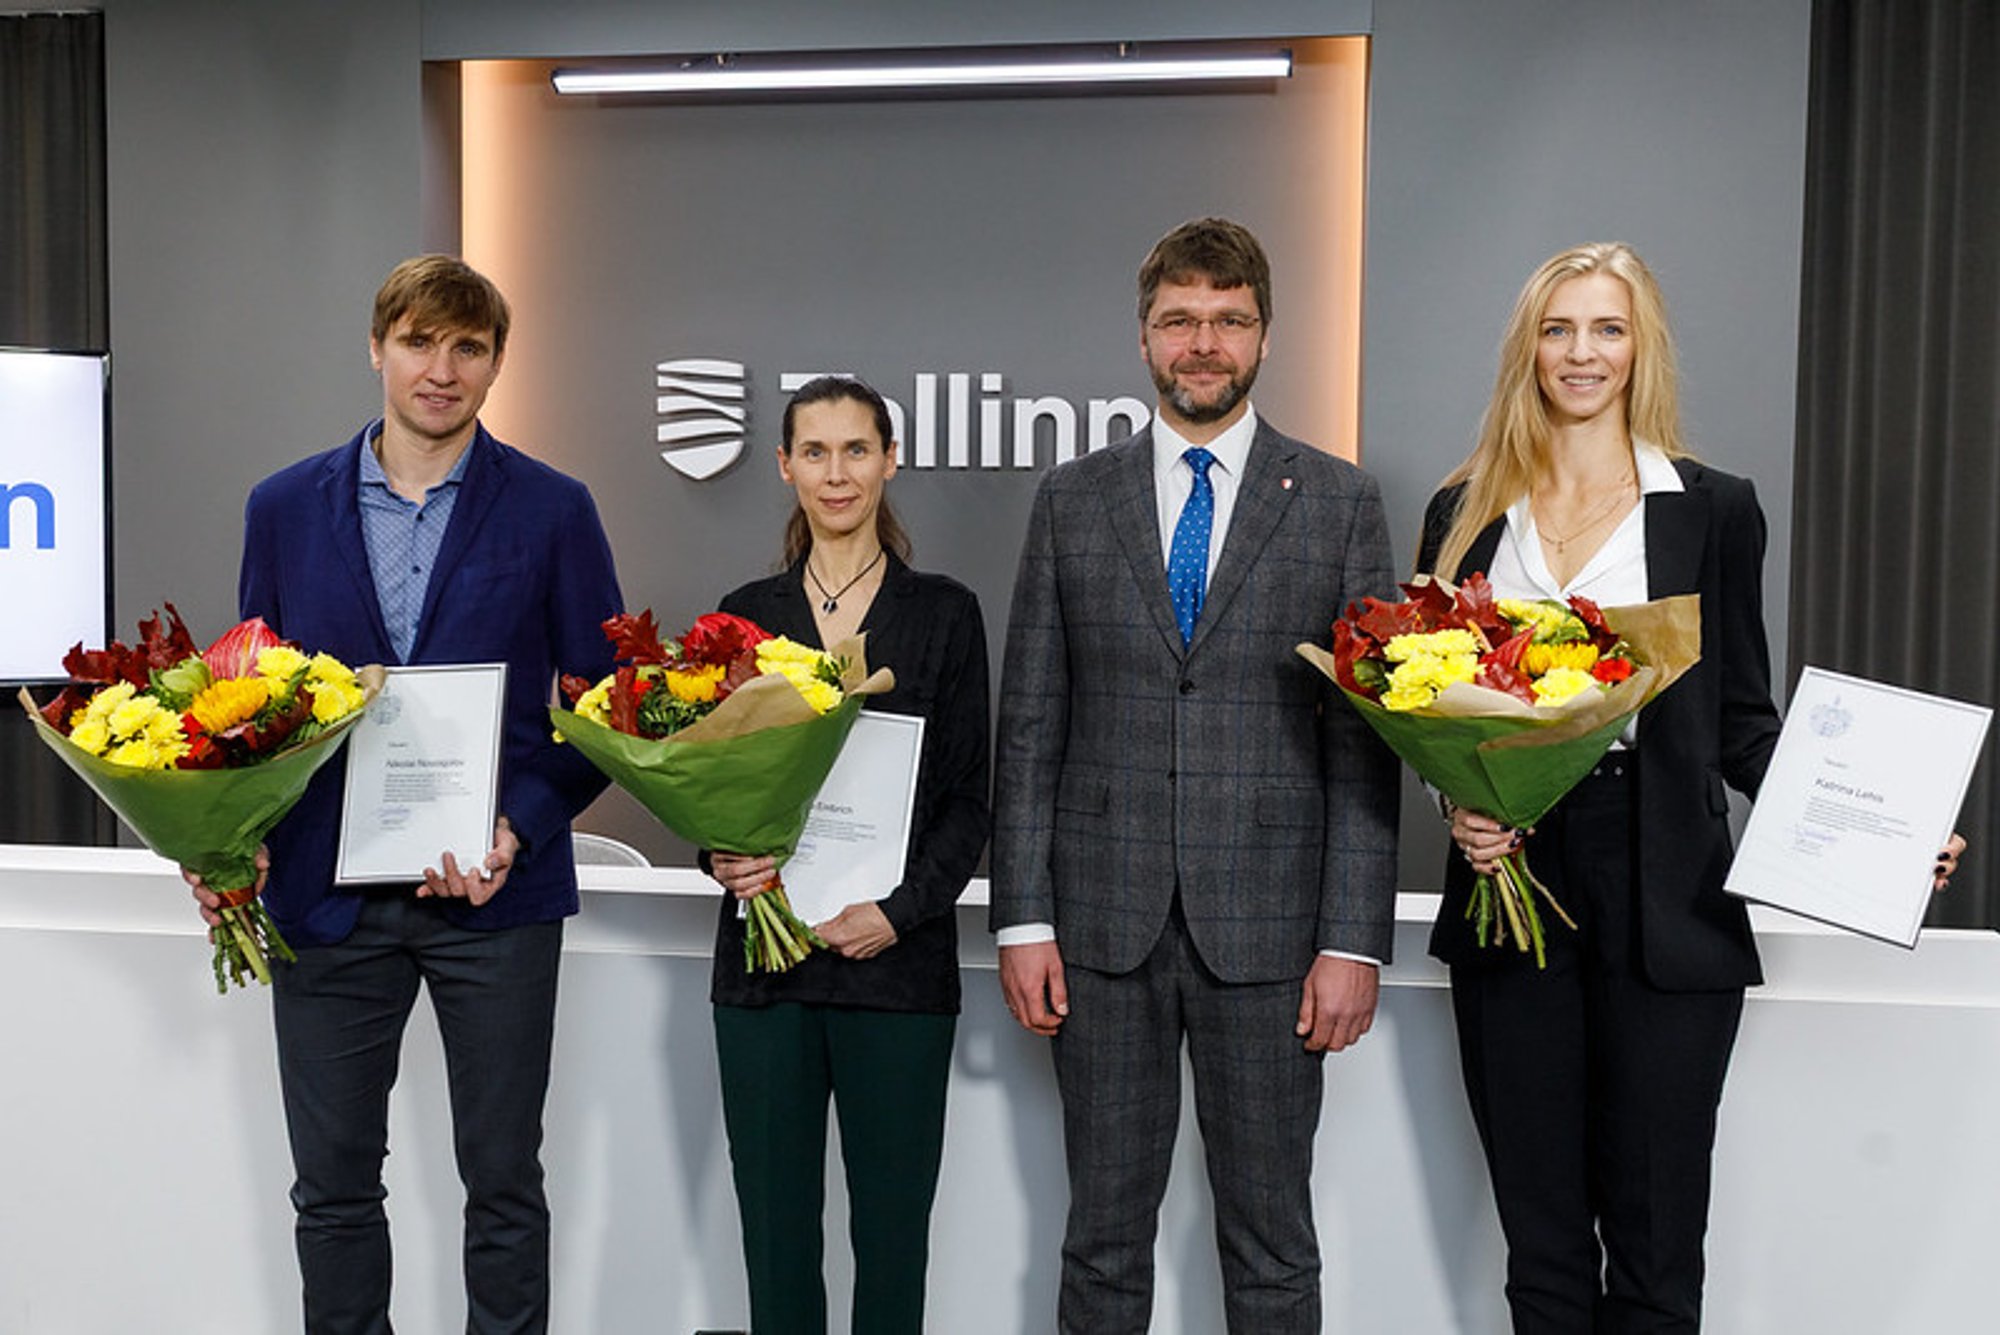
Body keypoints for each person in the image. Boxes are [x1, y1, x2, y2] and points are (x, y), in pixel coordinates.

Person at [1418, 240, 1964, 1333]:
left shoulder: (1710, 509)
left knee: (1658, 1245)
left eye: (1606, 329)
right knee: (1540, 1246)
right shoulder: (1464, 509)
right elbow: (1433, 703)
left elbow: (1740, 723)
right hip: (1509, 884)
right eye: (1558, 328)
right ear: (1527, 348)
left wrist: (1887, 837)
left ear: (1640, 347)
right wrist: (1458, 806)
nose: (1581, 353)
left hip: (1662, 888)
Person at [186, 254, 623, 1334]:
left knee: (504, 1188)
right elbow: (258, 706)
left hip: (494, 899)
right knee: (333, 1192)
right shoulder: (283, 508)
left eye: (467, 347)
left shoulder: (554, 510)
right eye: (419, 341)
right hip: (327, 904)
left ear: (494, 365)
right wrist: (229, 844)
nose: (441, 368)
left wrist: (518, 825)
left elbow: (602, 709)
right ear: (376, 349)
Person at [990, 217, 1401, 1334]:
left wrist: (1351, 938)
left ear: (1264, 335)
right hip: (1098, 930)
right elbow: (1028, 722)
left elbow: (1362, 738)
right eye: (1180, 320)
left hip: (1270, 938)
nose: (1202, 343)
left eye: (1227, 320)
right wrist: (1021, 918)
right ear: (1142, 338)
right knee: (1101, 1240)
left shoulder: (1338, 501)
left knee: (1271, 1245)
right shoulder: (1072, 501)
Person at [702, 375, 990, 1335]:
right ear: (784, 467)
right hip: (766, 971)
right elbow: (706, 785)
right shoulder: (741, 617)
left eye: (856, 450)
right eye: (815, 453)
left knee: (893, 1241)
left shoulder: (945, 614)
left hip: (897, 972)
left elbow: (967, 800)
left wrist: (897, 913)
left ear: (890, 461)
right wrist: (723, 855)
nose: (837, 473)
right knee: (775, 1243)